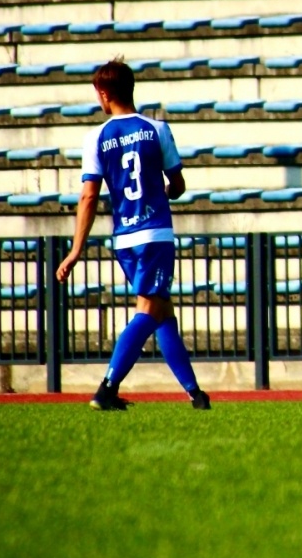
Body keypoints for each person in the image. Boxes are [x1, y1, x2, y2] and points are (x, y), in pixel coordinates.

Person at [56, 59, 210, 411]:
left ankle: (196, 394)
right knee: (149, 308)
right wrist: (165, 192)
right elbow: (179, 185)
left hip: (124, 240)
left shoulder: (95, 137)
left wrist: (75, 250)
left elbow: (89, 196)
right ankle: (107, 387)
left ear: (105, 94)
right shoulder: (157, 129)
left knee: (162, 312)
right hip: (155, 233)